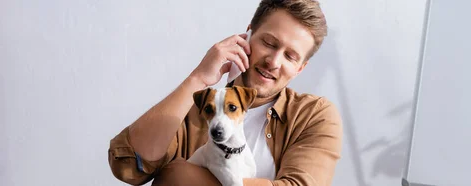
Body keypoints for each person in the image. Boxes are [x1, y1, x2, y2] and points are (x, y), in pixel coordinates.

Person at [107, 0, 343, 185]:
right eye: (269, 43)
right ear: (248, 34)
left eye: (290, 56)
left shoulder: (313, 116)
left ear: (300, 68)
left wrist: (179, 177)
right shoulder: (200, 104)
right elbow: (128, 167)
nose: (273, 61)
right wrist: (197, 79)